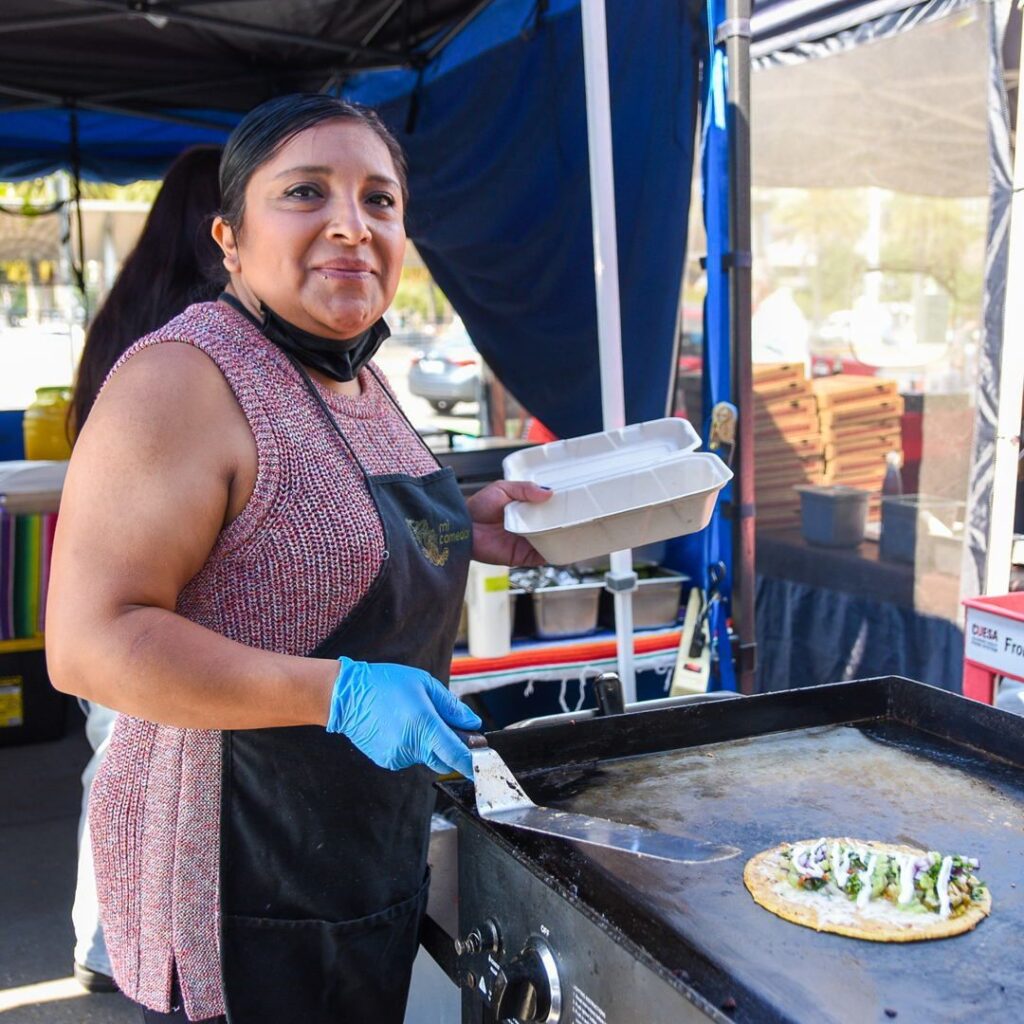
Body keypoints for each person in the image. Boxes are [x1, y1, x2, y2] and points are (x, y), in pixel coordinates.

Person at [46, 94, 551, 1024]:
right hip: (237, 871)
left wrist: (456, 524)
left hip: (363, 842)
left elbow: (321, 528)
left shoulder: (357, 370)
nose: (351, 226)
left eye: (380, 200)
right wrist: (340, 694)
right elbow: (88, 641)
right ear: (230, 239)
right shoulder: (183, 377)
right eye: (306, 192)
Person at [67, 145, 224, 995]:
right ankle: (139, 951)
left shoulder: (120, 323)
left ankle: (102, 943)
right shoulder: (198, 345)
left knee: (113, 762)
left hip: (96, 579)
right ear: (224, 226)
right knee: (160, 784)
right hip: (168, 604)